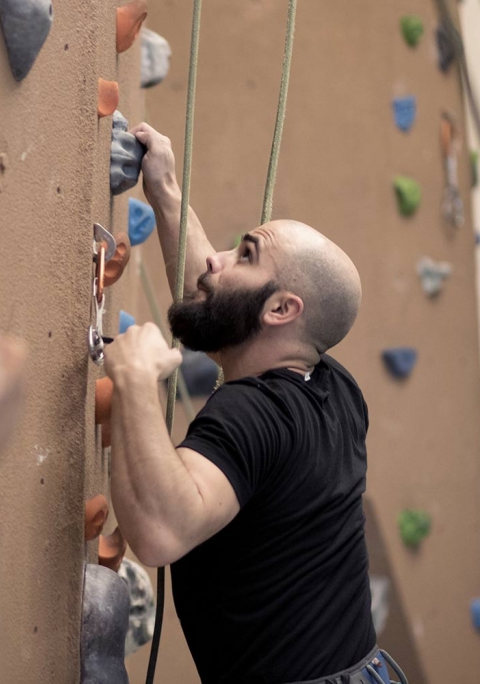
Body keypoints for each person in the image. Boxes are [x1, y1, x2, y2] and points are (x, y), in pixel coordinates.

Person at [104, 123, 403, 684]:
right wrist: (166, 192)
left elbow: (161, 532)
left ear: (282, 311)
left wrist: (136, 382)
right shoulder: (334, 389)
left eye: (244, 254)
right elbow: (219, 305)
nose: (216, 261)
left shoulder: (255, 413)